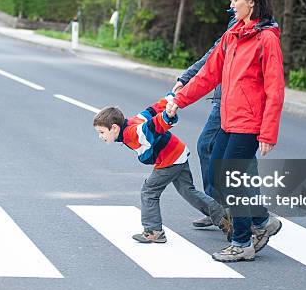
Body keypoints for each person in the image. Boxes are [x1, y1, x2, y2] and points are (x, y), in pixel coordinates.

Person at [167, 0, 285, 262]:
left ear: (251, 3)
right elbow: (208, 75)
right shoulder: (233, 35)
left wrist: (268, 133)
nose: (231, 3)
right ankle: (262, 219)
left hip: (248, 122)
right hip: (228, 119)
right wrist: (178, 101)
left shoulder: (266, 39)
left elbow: (275, 88)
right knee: (221, 177)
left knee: (233, 180)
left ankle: (243, 241)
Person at [93, 94, 232, 243]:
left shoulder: (132, 132)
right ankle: (222, 215)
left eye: (102, 132)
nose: (100, 136)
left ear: (114, 128)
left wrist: (167, 116)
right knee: (188, 191)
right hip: (178, 152)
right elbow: (152, 110)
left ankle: (153, 230)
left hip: (170, 159)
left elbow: (153, 125)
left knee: (149, 191)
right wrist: (171, 97)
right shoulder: (133, 122)